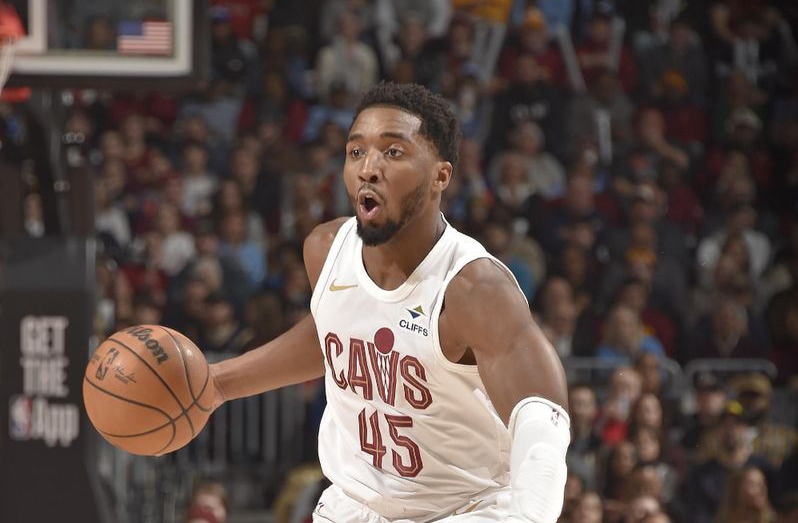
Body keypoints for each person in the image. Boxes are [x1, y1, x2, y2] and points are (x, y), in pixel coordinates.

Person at [205, 82, 570, 522]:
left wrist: (531, 517)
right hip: (354, 506)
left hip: (463, 509)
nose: (368, 169)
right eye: (356, 152)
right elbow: (333, 332)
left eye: (393, 152)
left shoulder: (475, 289)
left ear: (441, 176)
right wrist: (219, 384)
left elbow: (542, 424)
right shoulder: (325, 249)